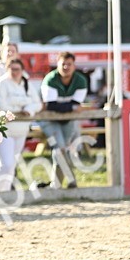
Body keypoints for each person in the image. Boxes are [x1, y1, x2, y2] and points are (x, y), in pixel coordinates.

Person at [0, 57, 41, 192]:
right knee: (6, 164)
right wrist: (20, 108)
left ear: (22, 70)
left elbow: (38, 103)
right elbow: (0, 105)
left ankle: (3, 194)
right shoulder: (1, 83)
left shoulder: (26, 84)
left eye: (18, 69)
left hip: (21, 131)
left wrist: (29, 109)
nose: (15, 72)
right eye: (12, 69)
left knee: (12, 166)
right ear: (7, 69)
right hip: (4, 131)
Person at [39, 52, 89, 189]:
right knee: (60, 148)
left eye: (69, 64)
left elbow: (68, 105)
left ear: (74, 65)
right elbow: (51, 106)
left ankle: (56, 185)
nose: (66, 67)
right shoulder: (50, 79)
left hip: (68, 120)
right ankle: (71, 180)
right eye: (63, 64)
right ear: (58, 64)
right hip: (49, 120)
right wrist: (71, 106)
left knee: (63, 151)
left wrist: (67, 107)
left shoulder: (80, 80)